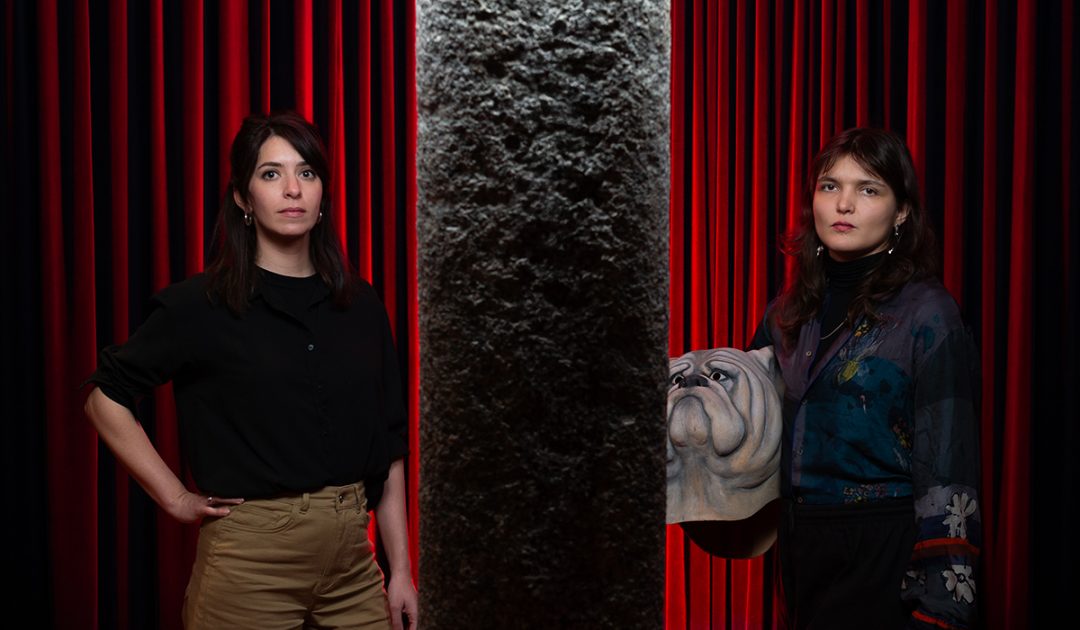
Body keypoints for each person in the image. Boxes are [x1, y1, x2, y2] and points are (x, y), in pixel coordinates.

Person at [84, 111, 418, 629]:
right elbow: (105, 395)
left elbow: (389, 445)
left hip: (354, 560)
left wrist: (401, 571)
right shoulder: (201, 305)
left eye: (307, 172)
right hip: (249, 563)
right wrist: (175, 497)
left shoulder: (361, 305)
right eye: (271, 173)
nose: (292, 189)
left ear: (323, 193)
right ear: (243, 197)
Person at [750, 128, 980, 629]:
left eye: (868, 189)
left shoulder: (927, 314)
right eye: (830, 186)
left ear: (901, 213)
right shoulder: (786, 315)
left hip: (884, 552)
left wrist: (941, 607)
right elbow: (745, 427)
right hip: (801, 551)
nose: (844, 204)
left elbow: (948, 464)